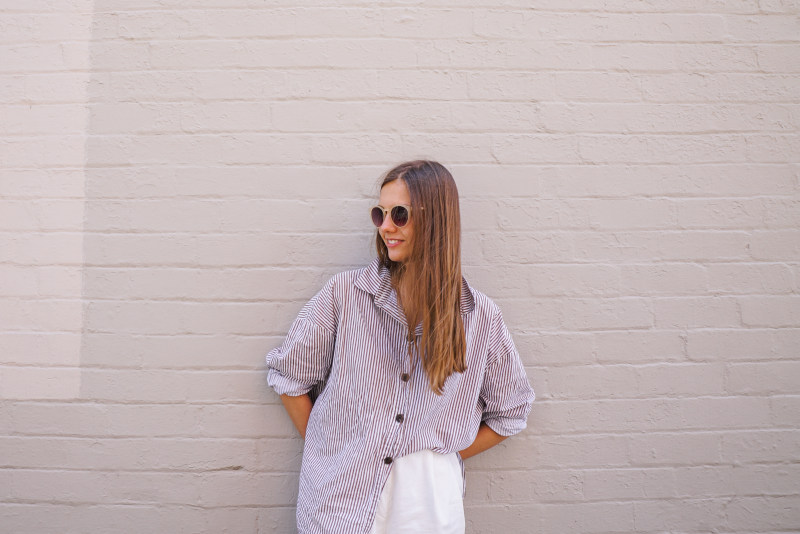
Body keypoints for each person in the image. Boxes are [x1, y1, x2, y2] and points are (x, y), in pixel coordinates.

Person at [266, 160, 535, 534]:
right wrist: (330, 447)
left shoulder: (480, 317)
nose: (386, 226)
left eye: (399, 214)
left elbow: (512, 410)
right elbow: (290, 377)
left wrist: (438, 456)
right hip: (338, 502)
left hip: (427, 509)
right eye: (380, 213)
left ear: (436, 219)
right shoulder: (344, 296)